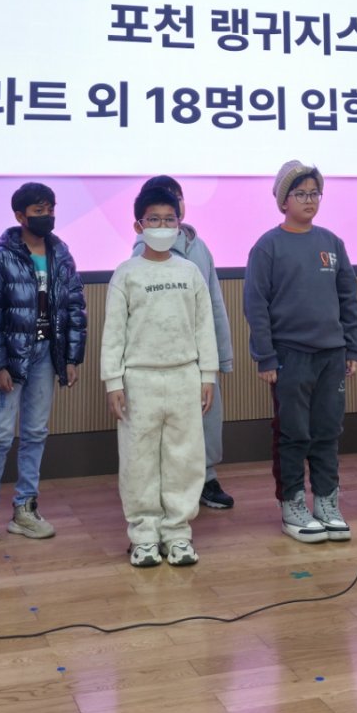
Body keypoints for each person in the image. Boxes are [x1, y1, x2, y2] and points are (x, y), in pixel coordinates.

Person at [243, 160, 357, 544]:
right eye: (301, 194)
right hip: (290, 356)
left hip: (332, 355)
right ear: (283, 200)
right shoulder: (268, 246)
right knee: (294, 433)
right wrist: (265, 356)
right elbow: (256, 305)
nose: (309, 200)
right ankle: (292, 504)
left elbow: (348, 298)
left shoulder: (332, 243)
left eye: (315, 193)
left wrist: (353, 347)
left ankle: (326, 502)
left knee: (328, 431)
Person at [106, 185, 220, 567]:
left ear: (180, 223)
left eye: (169, 219)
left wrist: (207, 375)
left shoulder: (190, 272)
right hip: (139, 381)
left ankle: (178, 534)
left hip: (185, 376)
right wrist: (113, 382)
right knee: (138, 461)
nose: (161, 226)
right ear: (138, 225)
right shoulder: (126, 274)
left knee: (184, 458)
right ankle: (143, 535)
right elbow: (113, 333)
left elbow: (204, 326)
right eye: (153, 219)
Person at [0, 182, 87, 544]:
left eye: (50, 209)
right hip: (12, 357)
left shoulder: (61, 253)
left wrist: (71, 357)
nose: (47, 216)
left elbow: (74, 306)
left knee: (36, 432)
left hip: (47, 355)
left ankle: (25, 509)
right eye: (39, 211)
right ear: (20, 216)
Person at [130, 174, 236, 511]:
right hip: (164, 358)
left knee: (206, 417)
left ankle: (206, 477)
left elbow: (215, 303)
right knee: (169, 425)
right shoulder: (142, 252)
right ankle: (168, 489)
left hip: (200, 353)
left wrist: (222, 355)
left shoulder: (199, 245)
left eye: (177, 199)